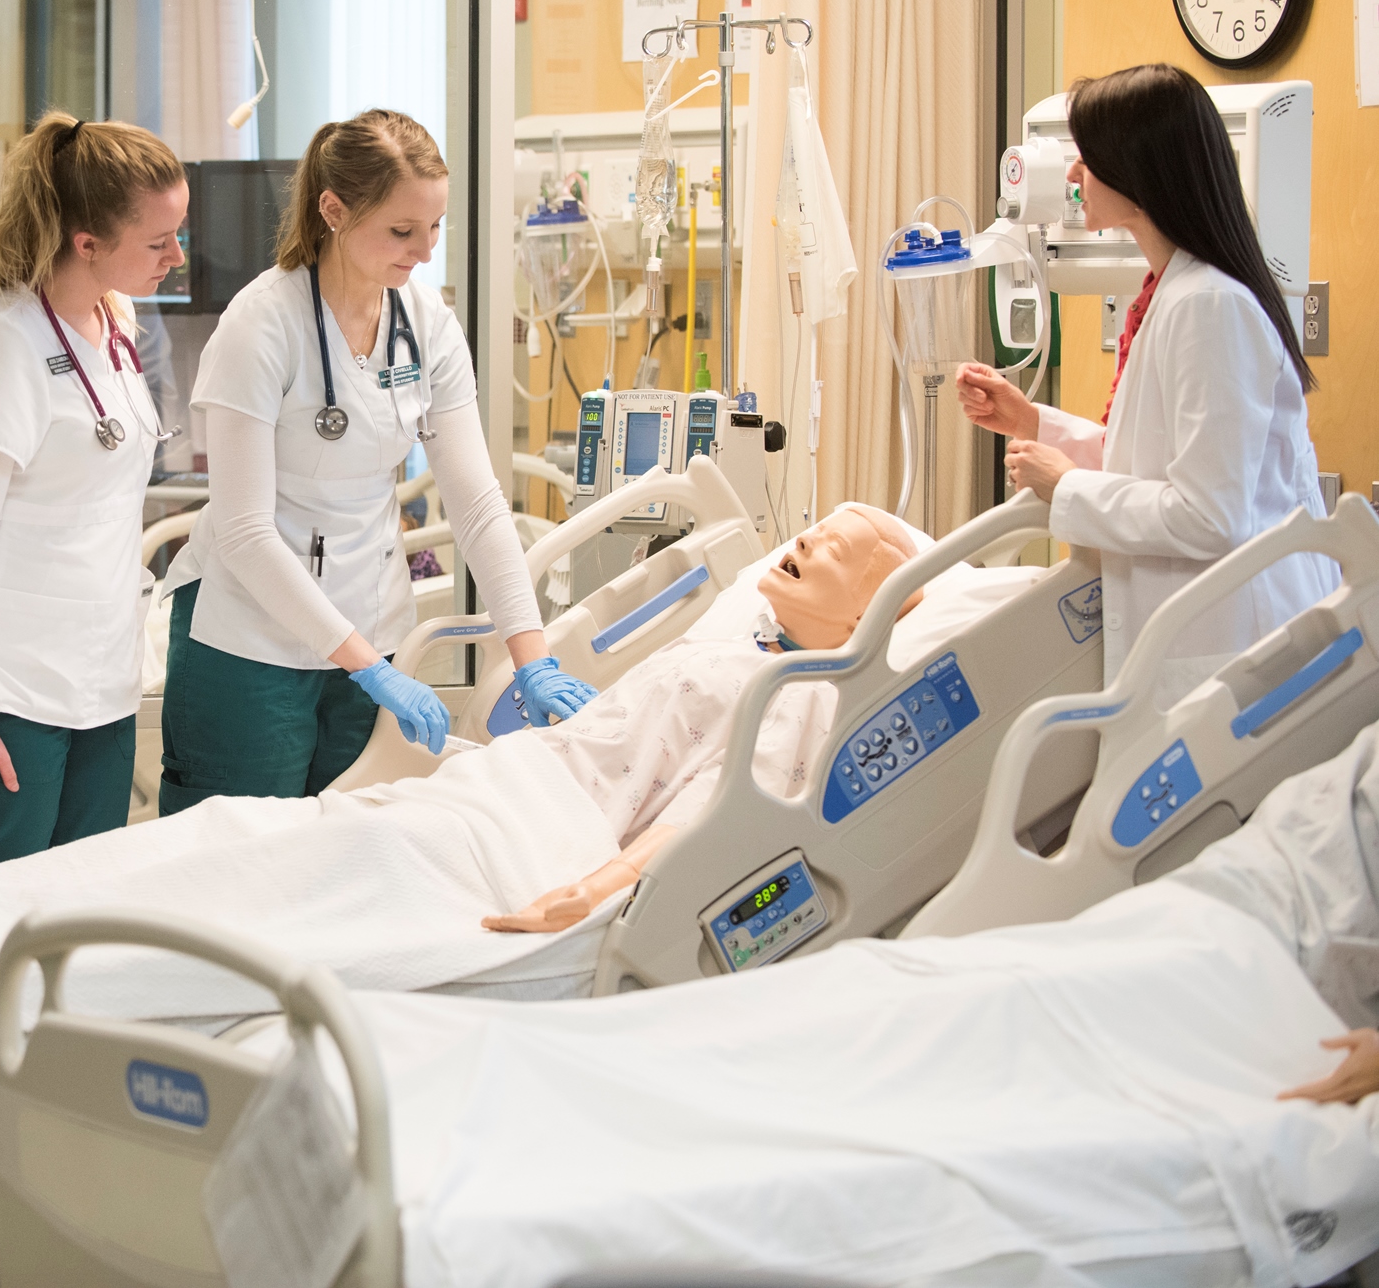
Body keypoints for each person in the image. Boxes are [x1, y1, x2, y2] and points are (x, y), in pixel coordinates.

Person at [157, 109, 597, 816]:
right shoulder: (261, 325)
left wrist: (531, 655)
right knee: (241, 867)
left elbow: (478, 504)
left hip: (369, 628)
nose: (423, 251)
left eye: (435, 229)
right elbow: (242, 531)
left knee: (348, 861)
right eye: (401, 231)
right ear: (333, 209)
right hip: (249, 640)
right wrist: (369, 670)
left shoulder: (425, 323)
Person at [957, 64, 1335, 700]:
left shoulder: (1209, 305)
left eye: (1088, 158)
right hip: (1199, 637)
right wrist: (1033, 422)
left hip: (1240, 647)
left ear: (1142, 174)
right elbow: (1159, 465)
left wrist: (1067, 486)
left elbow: (1211, 515)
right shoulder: (1170, 293)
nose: (1073, 176)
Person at [0, 114, 188, 866]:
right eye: (157, 242)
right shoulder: (2, 339)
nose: (176, 257)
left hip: (98, 687)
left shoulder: (115, 327)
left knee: (78, 926)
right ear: (86, 243)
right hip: (1, 693)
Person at [485, 504, 925, 932]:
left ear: (866, 615)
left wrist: (598, 888)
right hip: (512, 775)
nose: (807, 538)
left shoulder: (798, 695)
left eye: (836, 547)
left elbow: (715, 807)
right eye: (818, 530)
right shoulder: (740, 646)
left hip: (546, 818)